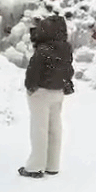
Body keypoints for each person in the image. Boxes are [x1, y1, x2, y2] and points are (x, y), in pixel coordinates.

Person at [20, 15, 74, 179]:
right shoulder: (65, 48)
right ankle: (52, 164)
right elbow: (69, 70)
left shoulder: (43, 49)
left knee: (39, 129)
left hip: (41, 92)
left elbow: (33, 71)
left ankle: (35, 167)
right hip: (58, 92)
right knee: (55, 128)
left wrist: (30, 87)